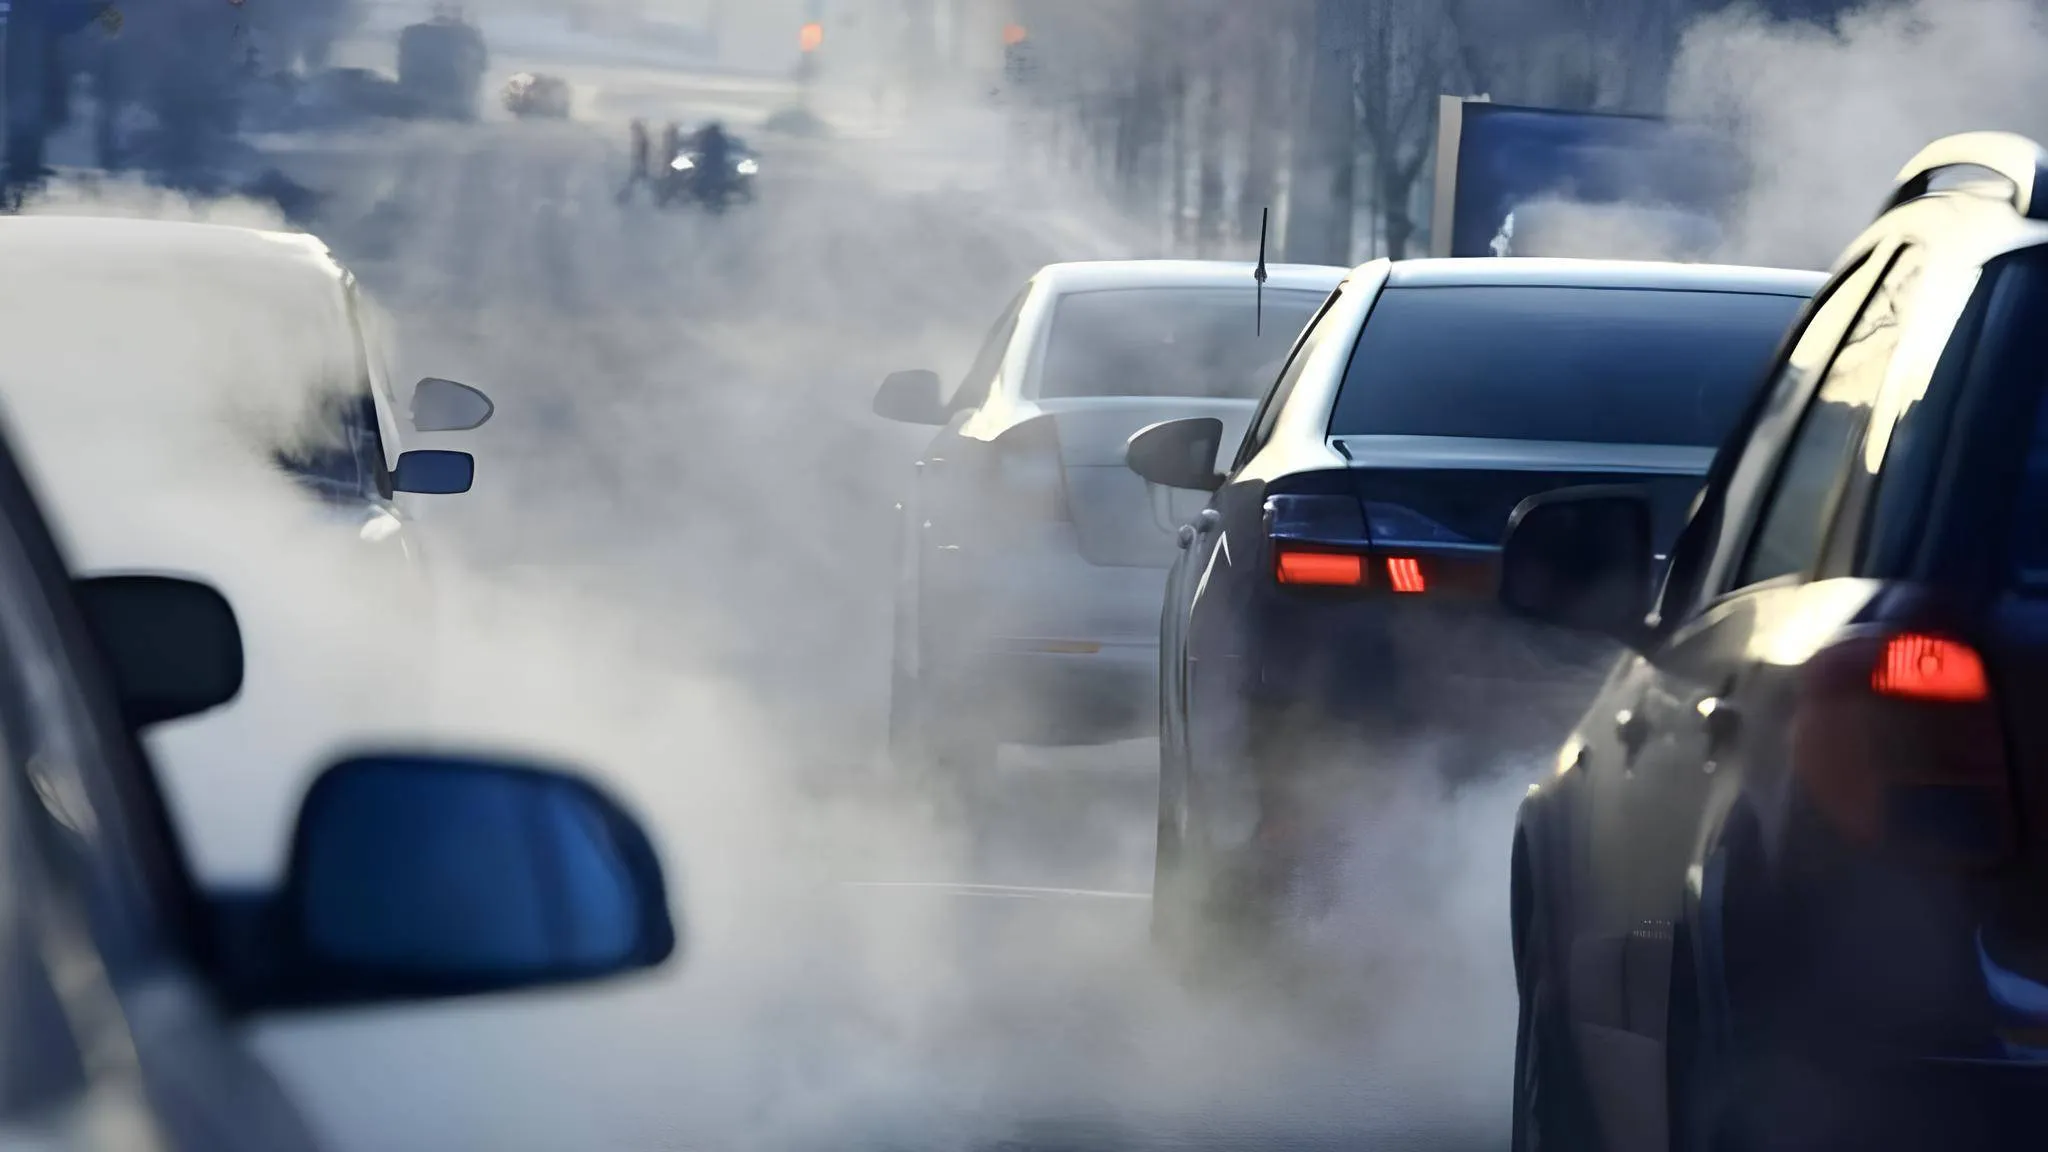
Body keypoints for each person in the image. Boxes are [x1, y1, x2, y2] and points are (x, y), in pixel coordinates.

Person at [619, 118, 651, 203]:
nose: (633, 132)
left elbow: (642, 154)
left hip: (641, 167)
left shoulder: (642, 139)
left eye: (635, 129)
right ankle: (627, 199)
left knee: (635, 184)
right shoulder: (642, 138)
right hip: (640, 166)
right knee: (637, 184)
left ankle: (625, 199)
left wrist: (640, 165)